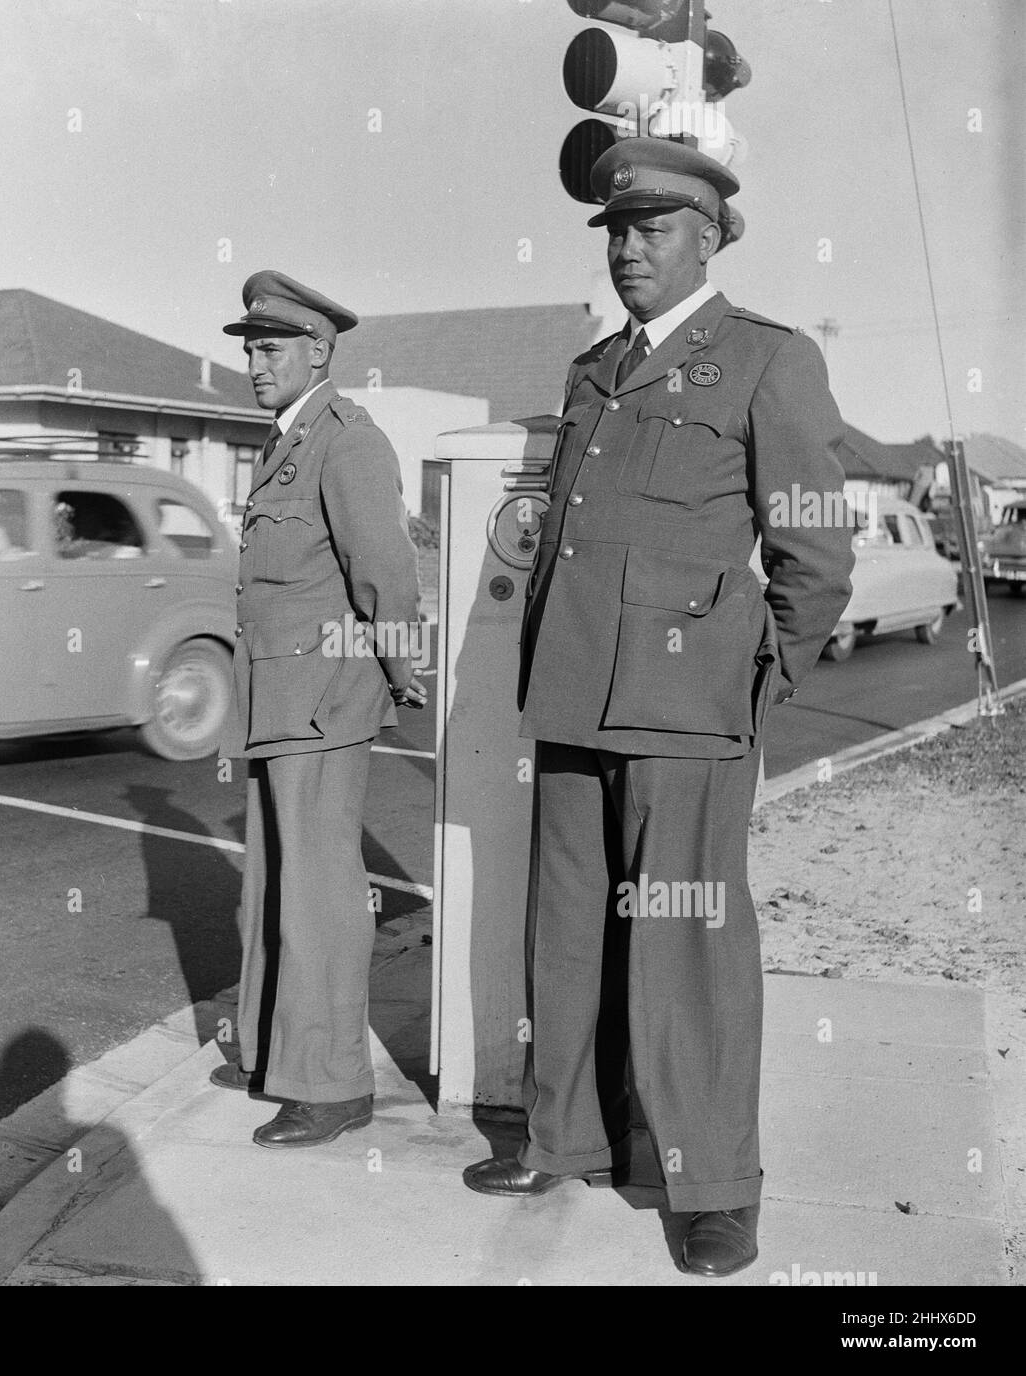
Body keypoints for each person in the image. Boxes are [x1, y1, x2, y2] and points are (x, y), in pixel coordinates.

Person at [463, 138, 855, 1278]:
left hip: (688, 708)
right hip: (578, 694)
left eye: (652, 229)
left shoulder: (766, 360)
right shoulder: (593, 370)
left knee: (687, 942)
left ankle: (711, 1182)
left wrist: (753, 679)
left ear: (709, 236)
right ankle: (563, 1132)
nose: (628, 249)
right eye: (616, 231)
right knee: (569, 930)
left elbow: (813, 555)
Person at [216, 270, 425, 1148]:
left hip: (323, 699)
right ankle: (279, 1053)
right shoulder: (285, 441)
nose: (256, 364)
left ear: (319, 350)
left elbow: (384, 568)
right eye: (250, 349)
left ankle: (334, 1083)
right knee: (274, 884)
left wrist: (402, 666)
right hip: (280, 697)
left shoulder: (347, 441)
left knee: (321, 893)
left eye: (271, 349)